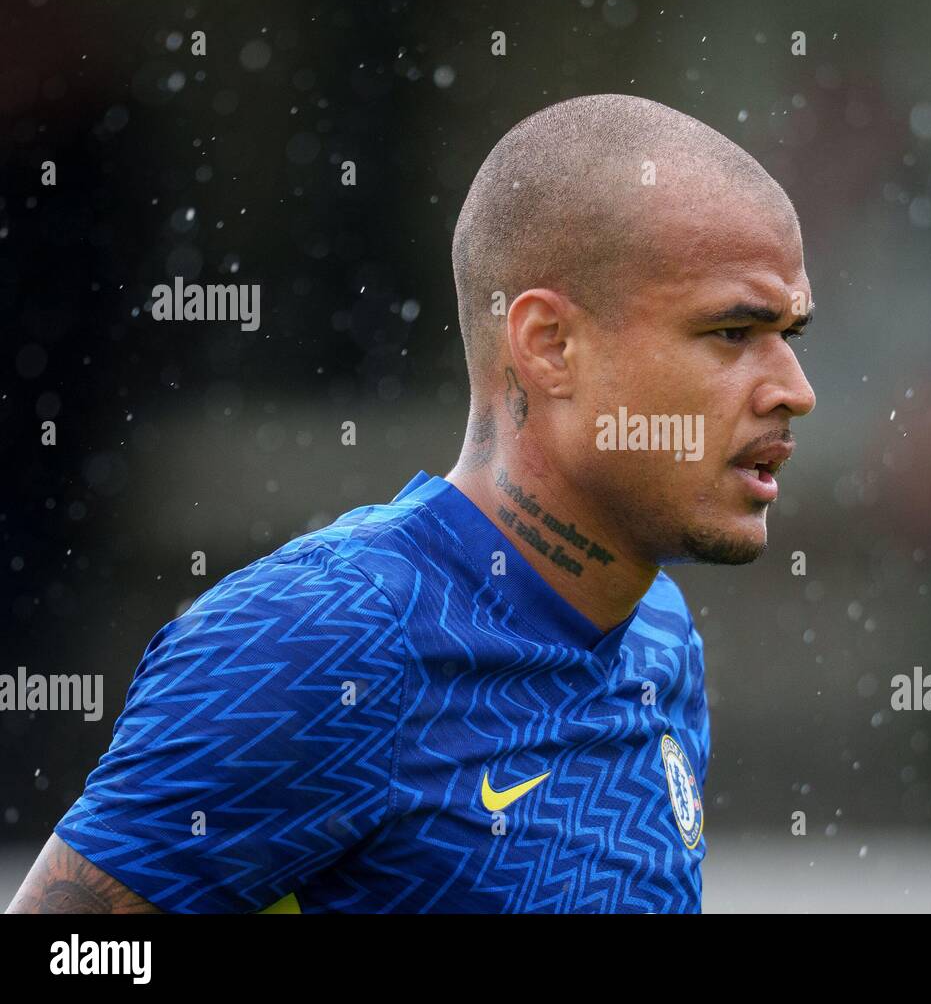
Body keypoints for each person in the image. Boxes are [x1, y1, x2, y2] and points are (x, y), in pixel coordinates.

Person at [8, 93, 816, 913]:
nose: (795, 390)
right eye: (731, 332)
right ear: (549, 346)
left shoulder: (657, 639)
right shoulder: (323, 636)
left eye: (792, 335)